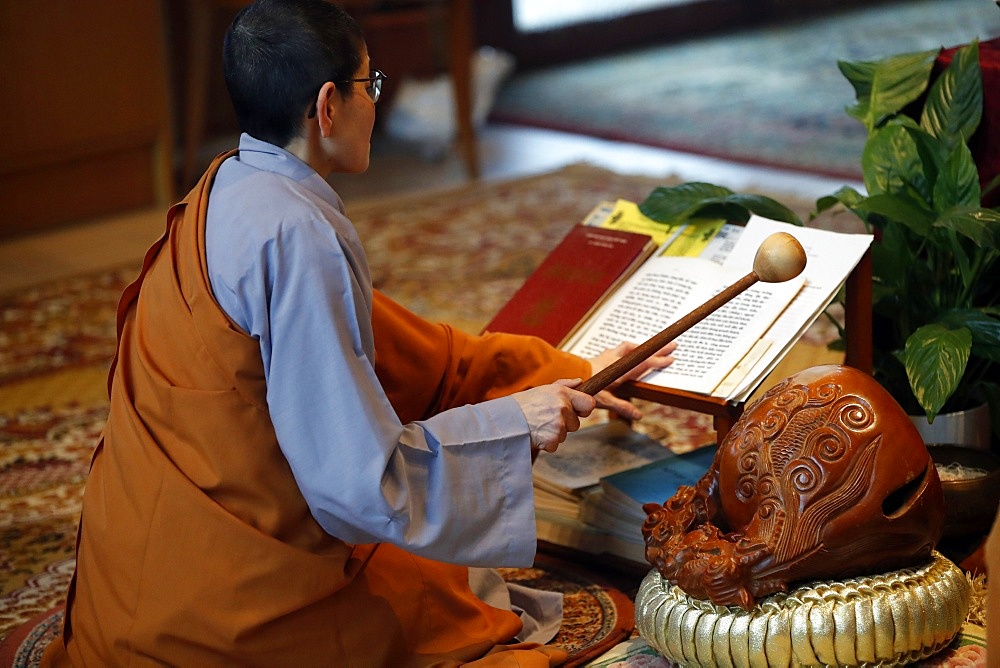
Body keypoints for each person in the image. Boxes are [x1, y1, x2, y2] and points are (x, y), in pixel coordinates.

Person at [42, 1, 676, 665]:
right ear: (327, 107)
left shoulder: (228, 184)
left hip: (135, 573)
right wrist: (518, 421)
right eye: (370, 85)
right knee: (450, 598)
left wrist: (561, 371)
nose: (378, 100)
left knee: (442, 566)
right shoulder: (299, 235)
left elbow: (410, 351)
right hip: (222, 618)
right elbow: (360, 486)